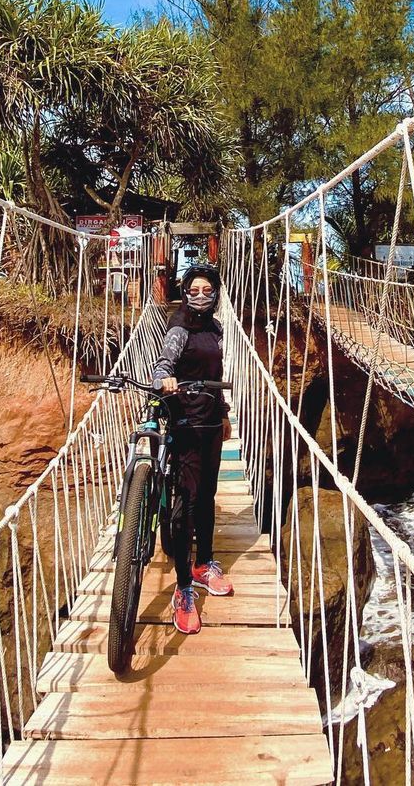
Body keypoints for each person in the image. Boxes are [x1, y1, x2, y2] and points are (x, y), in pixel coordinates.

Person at [152, 262, 234, 635]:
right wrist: (164, 380)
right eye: (194, 290)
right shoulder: (180, 328)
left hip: (212, 423)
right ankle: (183, 587)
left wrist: (226, 413)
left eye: (207, 291)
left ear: (216, 294)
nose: (200, 296)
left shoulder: (216, 328)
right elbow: (162, 364)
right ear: (185, 294)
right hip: (185, 421)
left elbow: (216, 377)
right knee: (185, 504)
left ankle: (204, 564)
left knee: (207, 495)